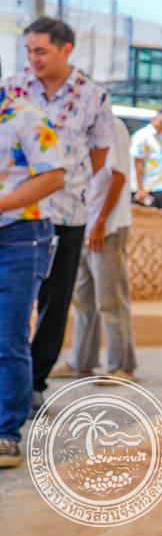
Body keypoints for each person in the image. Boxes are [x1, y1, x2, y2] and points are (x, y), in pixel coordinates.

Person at [2, 17, 112, 413]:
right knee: (15, 304)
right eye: (29, 51)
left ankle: (34, 382)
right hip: (18, 213)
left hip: (67, 211)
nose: (33, 58)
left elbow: (99, 153)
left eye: (41, 51)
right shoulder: (12, 88)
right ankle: (12, 384)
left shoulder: (94, 96)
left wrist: (69, 182)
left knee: (55, 300)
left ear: (66, 49)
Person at [0, 85, 64, 469]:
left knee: (8, 336)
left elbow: (54, 176)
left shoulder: (26, 116)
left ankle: (6, 433)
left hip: (21, 236)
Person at [57, 113, 136, 381]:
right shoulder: (81, 126)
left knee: (110, 300)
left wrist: (101, 222)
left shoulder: (112, 126)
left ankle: (121, 366)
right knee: (83, 299)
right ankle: (82, 362)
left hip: (108, 228)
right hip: (84, 224)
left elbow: (118, 177)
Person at [131, 109, 162, 209]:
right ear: (153, 120)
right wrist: (140, 188)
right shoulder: (142, 136)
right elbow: (138, 163)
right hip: (146, 189)